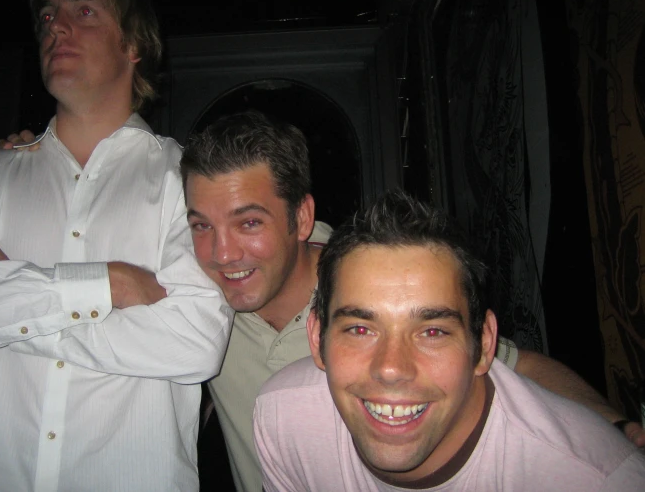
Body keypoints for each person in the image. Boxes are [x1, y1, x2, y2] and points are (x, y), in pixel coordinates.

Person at [179, 110, 643, 492]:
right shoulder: (200, 300)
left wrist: (612, 426)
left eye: (249, 223)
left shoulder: (380, 289)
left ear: (301, 218)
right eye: (202, 226)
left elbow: (517, 368)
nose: (222, 254)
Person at [0, 0, 232, 492]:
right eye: (47, 16)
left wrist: (8, 292)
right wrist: (109, 284)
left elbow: (194, 342)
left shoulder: (186, 175)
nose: (55, 24)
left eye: (82, 11)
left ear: (133, 46)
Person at [253, 189, 645, 491]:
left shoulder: (594, 479)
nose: (391, 368)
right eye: (360, 329)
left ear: (485, 344)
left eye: (432, 332)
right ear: (317, 335)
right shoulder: (285, 421)